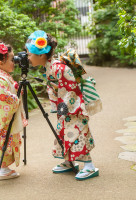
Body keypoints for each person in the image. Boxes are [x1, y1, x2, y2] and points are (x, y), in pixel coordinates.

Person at [25, 30, 99, 180]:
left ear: (41, 55)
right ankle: (68, 161)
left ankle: (90, 166)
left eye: (29, 54)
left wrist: (66, 108)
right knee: (64, 133)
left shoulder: (59, 68)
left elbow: (71, 89)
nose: (27, 58)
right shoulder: (48, 66)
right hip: (64, 107)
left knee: (78, 134)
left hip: (73, 107)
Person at [0, 37, 27, 180]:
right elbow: (2, 98)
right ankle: (2, 168)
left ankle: (0, 166)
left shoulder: (3, 77)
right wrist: (16, 98)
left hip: (5, 117)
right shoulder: (1, 79)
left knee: (7, 141)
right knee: (6, 142)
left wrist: (16, 93)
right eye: (11, 59)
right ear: (0, 63)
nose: (14, 62)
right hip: (5, 118)